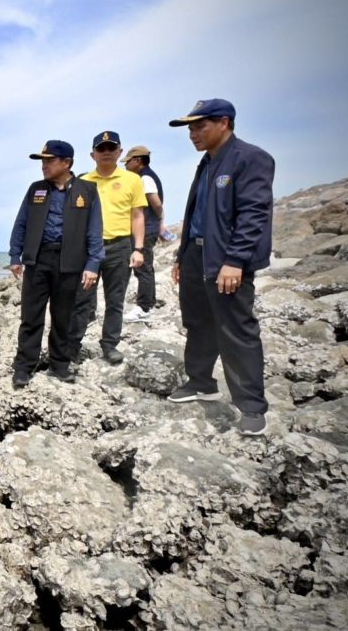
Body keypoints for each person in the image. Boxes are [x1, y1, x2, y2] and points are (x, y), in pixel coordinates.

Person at [167, 99, 273, 436]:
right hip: (196, 255)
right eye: (190, 129)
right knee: (198, 322)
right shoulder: (206, 163)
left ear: (224, 123)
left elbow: (254, 214)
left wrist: (235, 260)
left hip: (227, 259)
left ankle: (252, 407)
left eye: (199, 126)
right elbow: (197, 214)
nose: (192, 134)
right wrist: (181, 257)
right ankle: (201, 382)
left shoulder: (250, 158)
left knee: (235, 329)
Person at [8, 140, 105, 388]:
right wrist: (15, 256)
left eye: (49, 161)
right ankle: (24, 367)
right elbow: (21, 222)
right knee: (31, 316)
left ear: (67, 163)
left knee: (64, 317)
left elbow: (95, 230)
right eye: (42, 161)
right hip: (38, 260)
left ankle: (59, 364)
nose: (44, 165)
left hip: (70, 262)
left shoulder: (87, 190)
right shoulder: (36, 189)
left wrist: (93, 263)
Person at [66, 131, 147, 365]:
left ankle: (109, 345)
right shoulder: (82, 182)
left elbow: (138, 215)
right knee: (81, 299)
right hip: (88, 249)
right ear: (93, 154)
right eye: (101, 149)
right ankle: (72, 345)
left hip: (120, 247)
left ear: (120, 151)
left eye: (111, 148)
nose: (107, 153)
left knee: (115, 300)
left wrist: (138, 249)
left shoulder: (133, 179)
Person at [122, 146, 166, 321]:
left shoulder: (145, 178)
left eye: (128, 161)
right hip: (149, 227)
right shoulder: (146, 176)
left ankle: (144, 308)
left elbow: (156, 203)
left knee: (143, 268)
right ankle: (149, 303)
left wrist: (159, 221)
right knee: (146, 267)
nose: (125, 165)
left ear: (138, 160)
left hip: (146, 229)